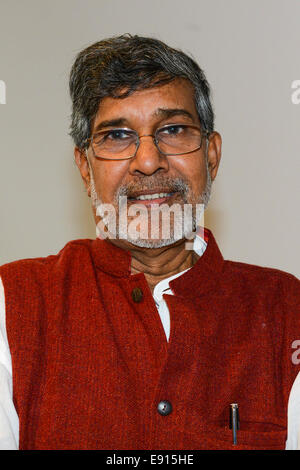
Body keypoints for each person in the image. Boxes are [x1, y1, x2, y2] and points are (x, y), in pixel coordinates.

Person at [0, 34, 299, 450]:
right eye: (117, 135)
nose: (147, 160)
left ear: (211, 156)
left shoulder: (287, 310)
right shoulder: (11, 303)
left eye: (173, 129)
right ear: (85, 170)